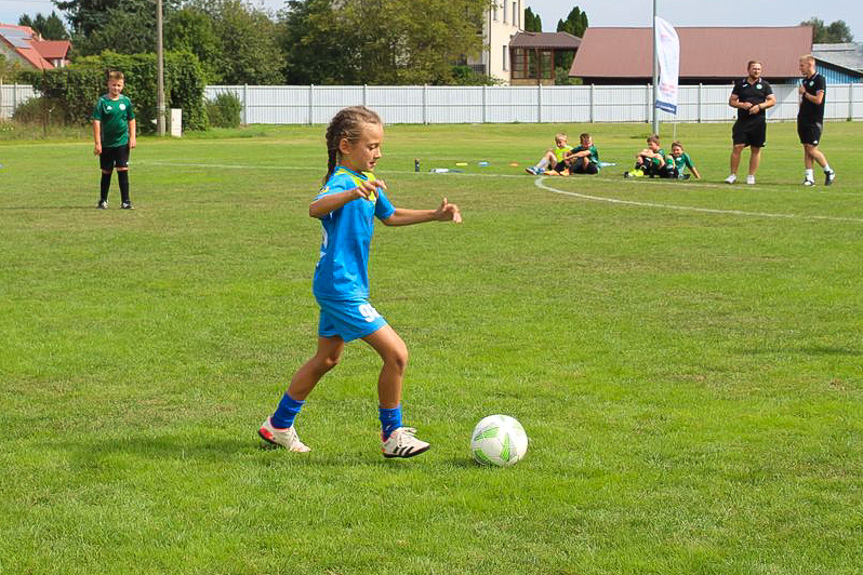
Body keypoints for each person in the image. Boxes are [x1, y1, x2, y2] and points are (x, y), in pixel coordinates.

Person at [258, 106, 462, 458]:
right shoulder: (343, 181)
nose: (378, 154)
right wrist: (353, 192)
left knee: (327, 359)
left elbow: (391, 215)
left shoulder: (363, 182)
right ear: (345, 146)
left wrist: (434, 215)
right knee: (396, 354)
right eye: (371, 146)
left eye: (379, 146)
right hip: (340, 286)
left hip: (341, 284)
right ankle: (392, 435)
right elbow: (315, 207)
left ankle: (278, 425)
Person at [725, 60, 776, 185]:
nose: (756, 71)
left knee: (756, 149)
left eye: (759, 69)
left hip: (758, 122)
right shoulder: (740, 84)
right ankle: (733, 175)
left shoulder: (765, 85)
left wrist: (759, 106)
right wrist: (742, 105)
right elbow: (732, 101)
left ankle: (751, 176)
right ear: (748, 70)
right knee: (737, 147)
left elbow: (772, 101)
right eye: (754, 69)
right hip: (742, 121)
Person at [92, 71, 136, 209]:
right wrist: (98, 142)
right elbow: (96, 122)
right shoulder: (103, 101)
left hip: (122, 141)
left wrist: (133, 137)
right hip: (106, 143)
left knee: (123, 168)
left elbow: (131, 119)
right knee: (106, 171)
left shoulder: (126, 101)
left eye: (119, 85)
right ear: (108, 85)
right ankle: (103, 200)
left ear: (122, 86)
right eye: (113, 85)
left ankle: (126, 201)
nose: (116, 88)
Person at [797, 54, 836, 186]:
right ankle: (809, 178)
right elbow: (804, 101)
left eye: (802, 65)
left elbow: (818, 100)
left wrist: (805, 93)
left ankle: (828, 170)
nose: (800, 68)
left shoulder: (820, 80)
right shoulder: (805, 81)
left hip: (814, 120)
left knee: (812, 149)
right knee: (807, 148)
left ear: (810, 64)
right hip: (803, 119)